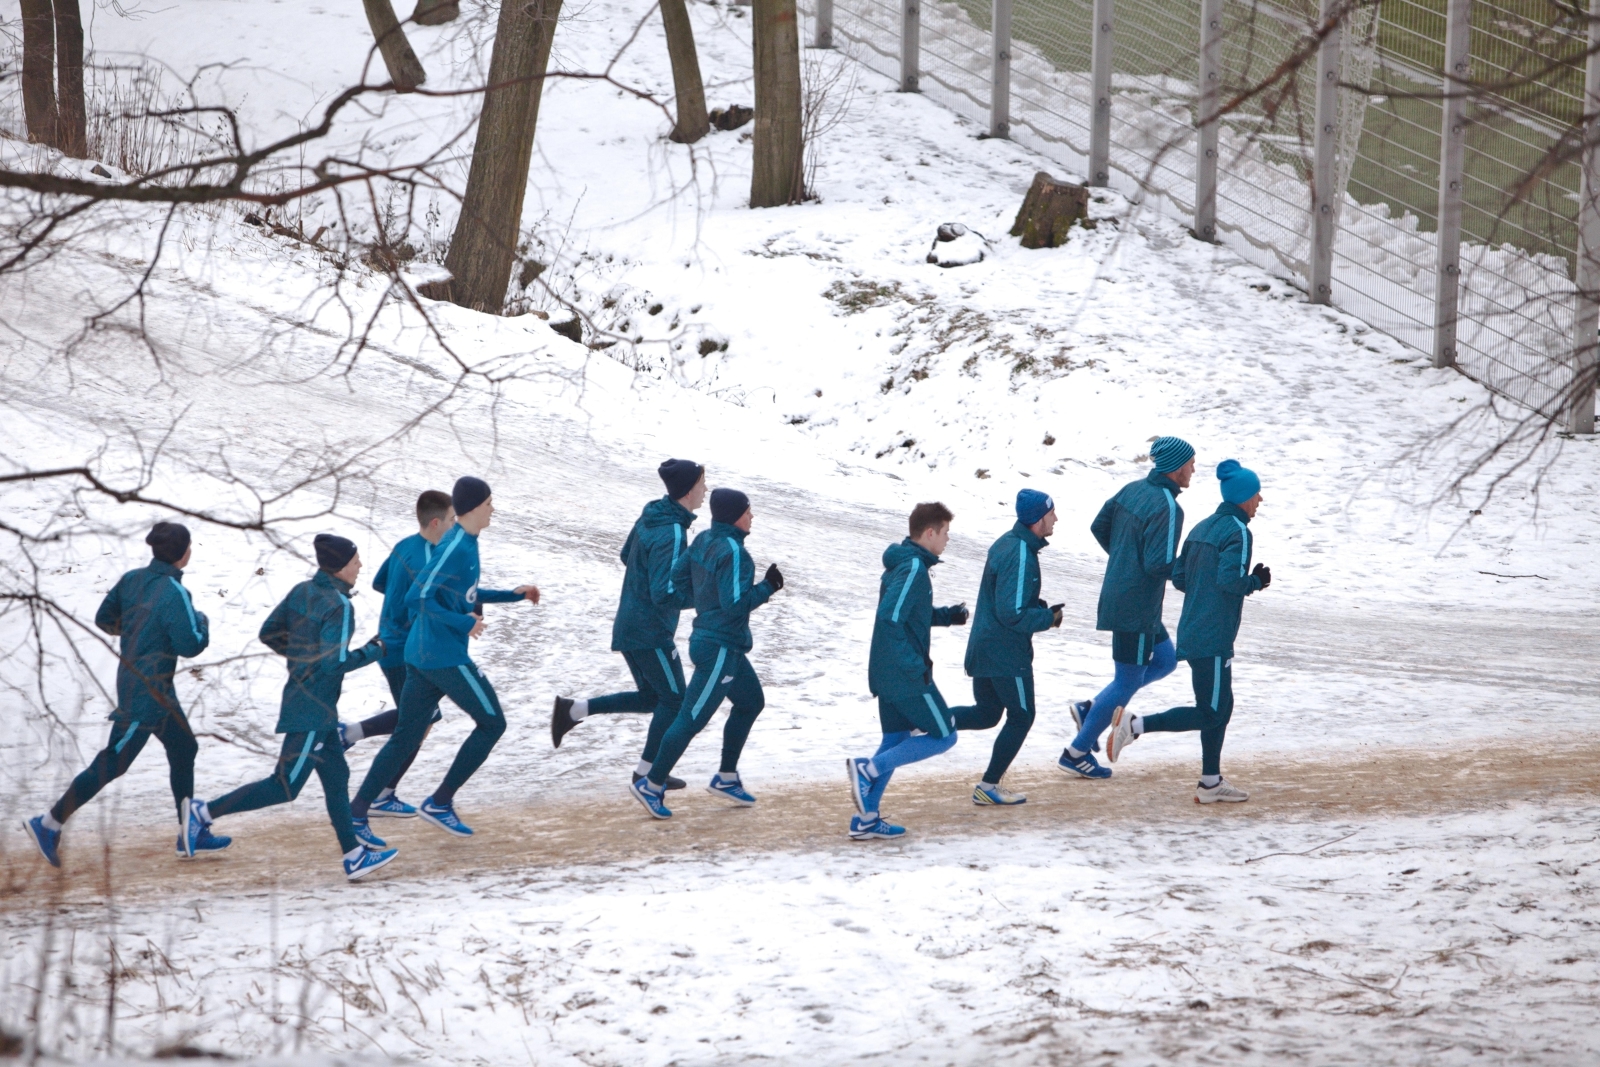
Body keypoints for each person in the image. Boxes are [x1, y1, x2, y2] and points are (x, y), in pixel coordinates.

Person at [186, 535, 399, 880]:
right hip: (311, 710)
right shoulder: (339, 605)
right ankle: (203, 813)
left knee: (337, 777)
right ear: (341, 565)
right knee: (285, 786)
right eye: (355, 560)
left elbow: (270, 633)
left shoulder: (303, 591)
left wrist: (302, 661)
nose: (360, 565)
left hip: (314, 706)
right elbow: (334, 663)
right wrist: (376, 649)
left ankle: (354, 855)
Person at [348, 476, 540, 837]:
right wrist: (461, 623)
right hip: (443, 655)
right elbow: (416, 597)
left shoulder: (463, 541)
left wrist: (512, 595)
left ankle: (356, 812)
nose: (493, 509)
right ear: (471, 509)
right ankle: (440, 801)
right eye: (488, 503)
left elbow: (461, 593)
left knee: (406, 735)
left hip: (422, 655)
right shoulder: (457, 547)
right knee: (493, 723)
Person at [24, 522, 218, 867]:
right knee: (114, 761)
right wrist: (202, 622)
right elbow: (190, 644)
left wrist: (135, 636)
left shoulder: (132, 579)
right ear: (183, 553)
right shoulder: (175, 592)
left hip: (151, 687)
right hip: (145, 693)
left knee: (184, 746)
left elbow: (104, 619)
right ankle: (49, 823)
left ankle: (190, 830)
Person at [1107, 460, 1269, 803]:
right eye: (1256, 494)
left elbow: (1180, 578)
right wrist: (1255, 581)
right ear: (1242, 497)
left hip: (1195, 631)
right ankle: (1134, 726)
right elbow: (1229, 581)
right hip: (1212, 637)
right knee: (1211, 710)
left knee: (1221, 706)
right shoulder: (1238, 531)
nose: (1260, 500)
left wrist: (1206, 589)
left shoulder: (1201, 527)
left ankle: (1210, 782)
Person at [551, 460, 705, 792]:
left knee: (654, 698)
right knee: (675, 699)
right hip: (651, 631)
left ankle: (574, 710)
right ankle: (648, 775)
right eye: (703, 484)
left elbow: (626, 555)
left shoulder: (652, 515)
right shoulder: (673, 531)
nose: (706, 490)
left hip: (630, 624)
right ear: (689, 490)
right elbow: (664, 593)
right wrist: (703, 596)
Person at [628, 487, 783, 819]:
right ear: (735, 516)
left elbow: (677, 578)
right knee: (690, 718)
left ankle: (726, 777)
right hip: (720, 649)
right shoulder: (736, 554)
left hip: (717, 643)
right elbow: (736, 605)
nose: (752, 516)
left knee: (751, 702)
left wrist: (706, 597)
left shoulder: (703, 540)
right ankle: (651, 784)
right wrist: (768, 587)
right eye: (748, 511)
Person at [1058, 436, 1195, 780]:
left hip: (1132, 601)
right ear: (1177, 467)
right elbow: (1159, 563)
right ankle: (1076, 751)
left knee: (1165, 661)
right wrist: (1189, 574)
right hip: (1135, 605)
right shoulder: (1167, 507)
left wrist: (1123, 558)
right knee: (1128, 679)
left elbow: (1098, 526)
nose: (1193, 469)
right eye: (1191, 463)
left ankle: (1092, 708)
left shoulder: (1132, 489)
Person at [845, 502, 972, 839]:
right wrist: (914, 666)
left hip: (888, 671)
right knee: (945, 735)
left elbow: (908, 612)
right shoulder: (914, 568)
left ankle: (866, 819)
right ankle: (867, 769)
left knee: (896, 739)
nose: (947, 540)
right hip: (904, 674)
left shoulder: (907, 564)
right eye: (945, 533)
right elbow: (890, 618)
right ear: (929, 533)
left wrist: (946, 616)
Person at [335, 489, 456, 819]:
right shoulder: (429, 560)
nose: (456, 525)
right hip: (407, 650)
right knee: (419, 720)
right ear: (436, 522)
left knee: (419, 718)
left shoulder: (405, 546)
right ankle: (378, 791)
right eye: (452, 520)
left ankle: (361, 753)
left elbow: (379, 583)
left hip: (391, 643)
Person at [953, 489, 1061, 805]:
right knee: (1022, 715)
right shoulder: (1021, 554)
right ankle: (988, 786)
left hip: (985, 645)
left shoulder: (1007, 542)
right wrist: (1047, 617)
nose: (1056, 518)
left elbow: (1006, 598)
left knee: (987, 713)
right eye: (1052, 513)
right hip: (1005, 654)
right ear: (1038, 518)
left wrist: (1037, 606)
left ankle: (926, 720)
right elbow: (1012, 613)